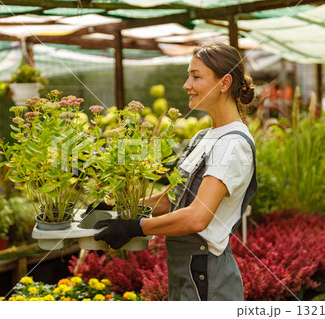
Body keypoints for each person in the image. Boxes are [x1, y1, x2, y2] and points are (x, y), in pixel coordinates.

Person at [94, 42, 258, 301]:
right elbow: (175, 198)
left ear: (224, 83)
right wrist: (117, 208)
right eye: (188, 75)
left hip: (207, 275)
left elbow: (196, 218)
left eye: (195, 76)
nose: (186, 85)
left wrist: (135, 227)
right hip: (187, 270)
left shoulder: (233, 143)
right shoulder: (206, 136)